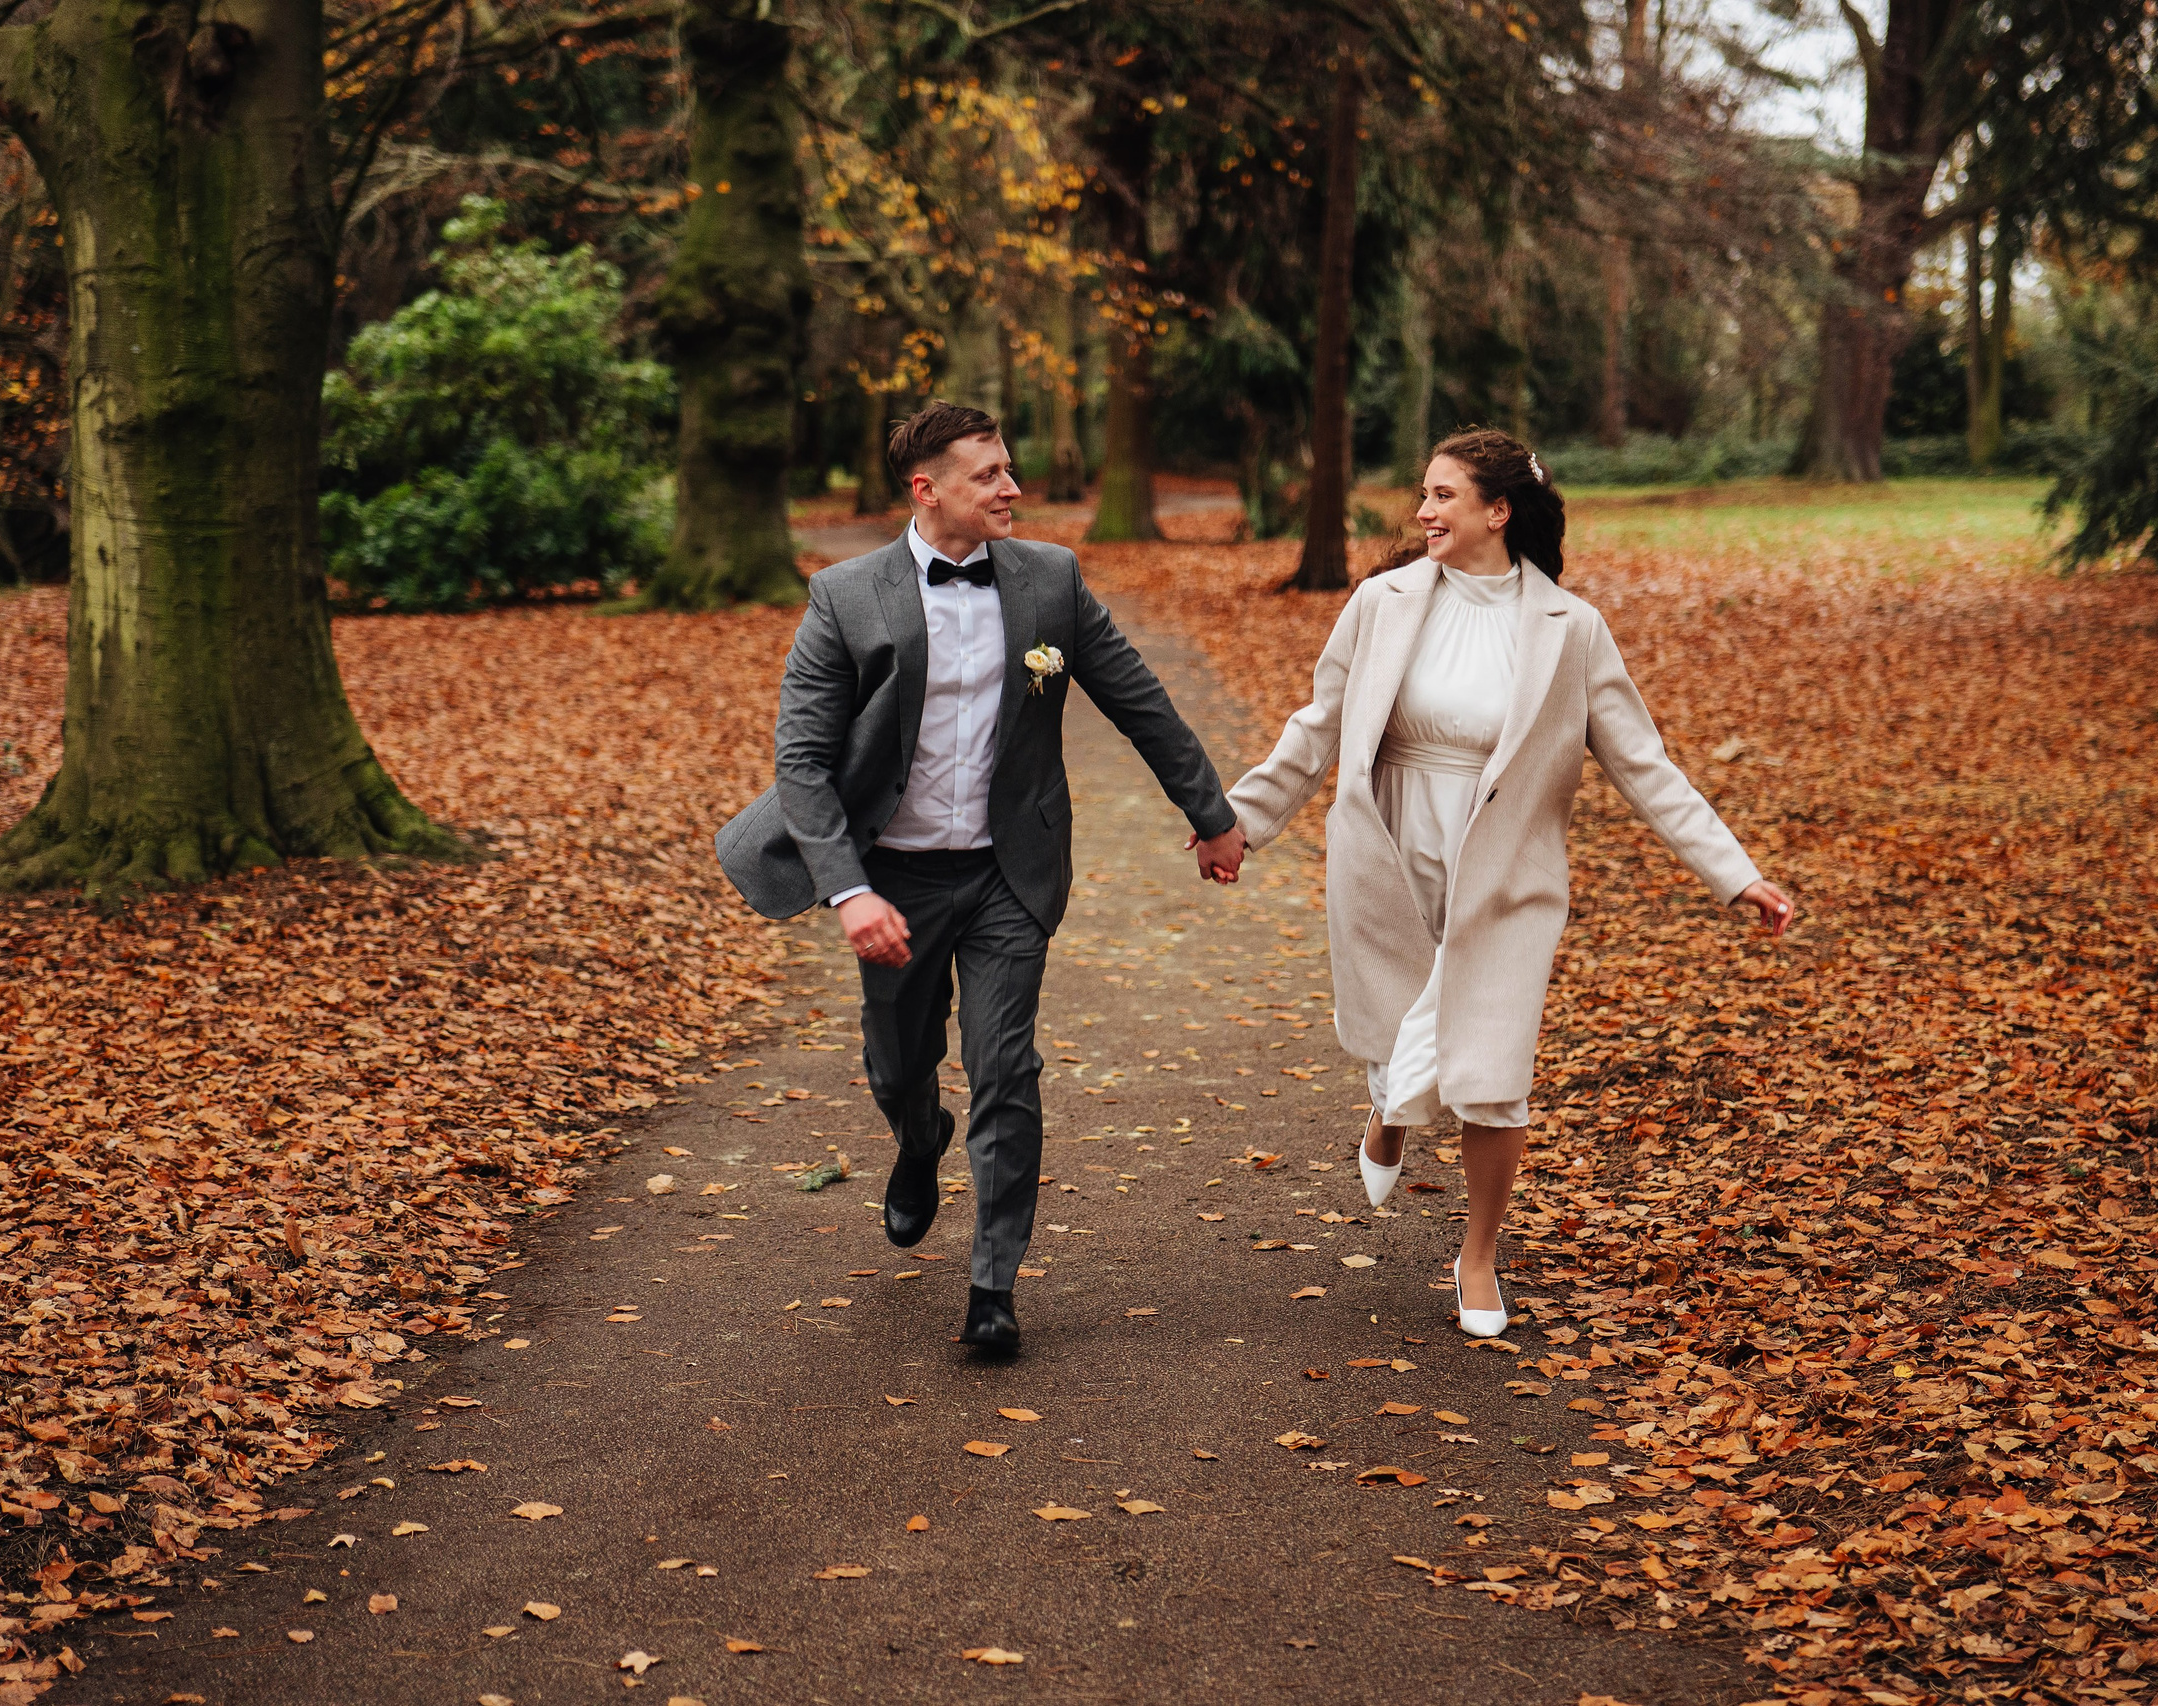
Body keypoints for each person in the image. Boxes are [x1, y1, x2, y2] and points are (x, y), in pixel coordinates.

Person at [1225, 428, 1793, 1338]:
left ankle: (1478, 1255)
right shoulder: (1381, 603)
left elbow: (1645, 766)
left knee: (1493, 1072)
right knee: (1400, 1034)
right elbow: (1318, 725)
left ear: (1498, 511)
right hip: (1393, 844)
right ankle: (1391, 1107)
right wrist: (1240, 822)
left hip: (1507, 870)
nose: (1423, 512)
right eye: (1424, 494)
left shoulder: (1572, 630)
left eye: (1443, 496)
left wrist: (1737, 875)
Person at [715, 401, 1247, 1354]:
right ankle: (920, 1138)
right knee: (897, 1065)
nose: (1013, 487)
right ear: (927, 489)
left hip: (1011, 871)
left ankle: (993, 1288)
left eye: (1009, 467)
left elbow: (1139, 700)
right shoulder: (845, 596)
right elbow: (802, 760)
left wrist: (1210, 814)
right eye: (989, 473)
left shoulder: (1050, 579)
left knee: (1006, 1067)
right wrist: (849, 890)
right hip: (894, 878)